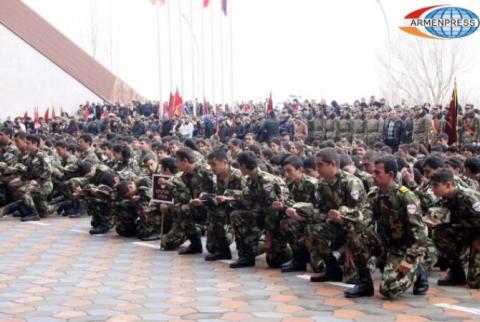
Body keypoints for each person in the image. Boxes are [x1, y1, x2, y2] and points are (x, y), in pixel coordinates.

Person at [345, 156, 430, 299]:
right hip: (385, 243)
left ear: (390, 175)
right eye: (373, 172)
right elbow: (364, 218)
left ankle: (418, 270)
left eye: (378, 173)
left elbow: (420, 233)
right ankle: (364, 283)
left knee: (388, 289)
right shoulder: (374, 194)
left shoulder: (405, 196)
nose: (373, 176)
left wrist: (409, 259)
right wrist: (351, 242)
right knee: (356, 234)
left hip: (403, 249)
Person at [230, 151, 291, 268]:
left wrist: (269, 238)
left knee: (274, 262)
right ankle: (246, 256)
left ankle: (289, 251)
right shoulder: (250, 180)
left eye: (239, 165)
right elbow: (250, 202)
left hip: (277, 220)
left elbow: (273, 212)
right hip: (262, 216)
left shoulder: (266, 181)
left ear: (243, 166)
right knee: (236, 215)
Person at [429, 168, 480, 289]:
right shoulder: (446, 198)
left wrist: (478, 239)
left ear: (448, 185)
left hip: (478, 234)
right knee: (440, 233)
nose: (433, 189)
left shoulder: (468, 198)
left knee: (475, 282)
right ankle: (457, 273)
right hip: (468, 232)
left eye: (436, 186)